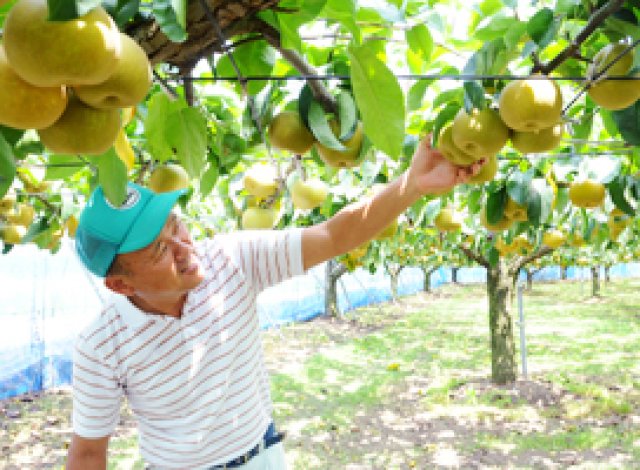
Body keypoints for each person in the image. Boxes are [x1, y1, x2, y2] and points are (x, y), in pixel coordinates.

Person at [66, 137, 484, 469]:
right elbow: (87, 455)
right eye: (158, 251)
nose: (184, 248)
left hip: (264, 455)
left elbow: (334, 236)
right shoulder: (100, 346)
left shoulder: (231, 260)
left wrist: (410, 185)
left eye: (177, 226)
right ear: (121, 286)